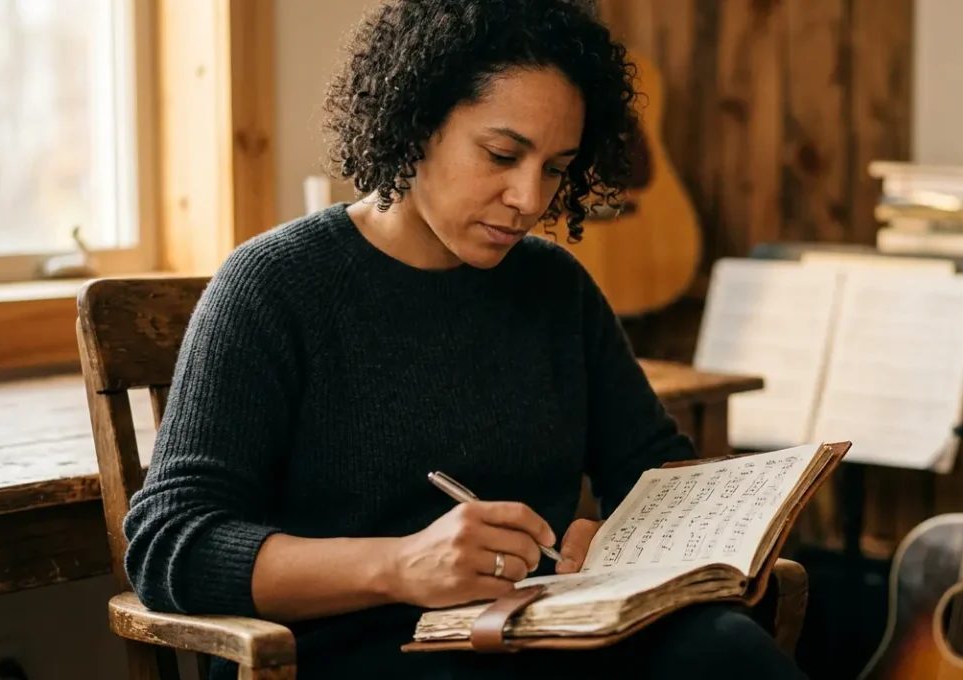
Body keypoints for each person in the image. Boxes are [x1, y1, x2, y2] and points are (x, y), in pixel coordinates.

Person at [119, 1, 809, 678]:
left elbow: (656, 471)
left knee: (726, 649)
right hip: (352, 647)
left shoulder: (555, 288)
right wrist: (399, 565)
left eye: (556, 167)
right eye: (502, 154)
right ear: (416, 124)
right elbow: (168, 544)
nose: (530, 198)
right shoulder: (275, 286)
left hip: (540, 633)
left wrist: (626, 541)